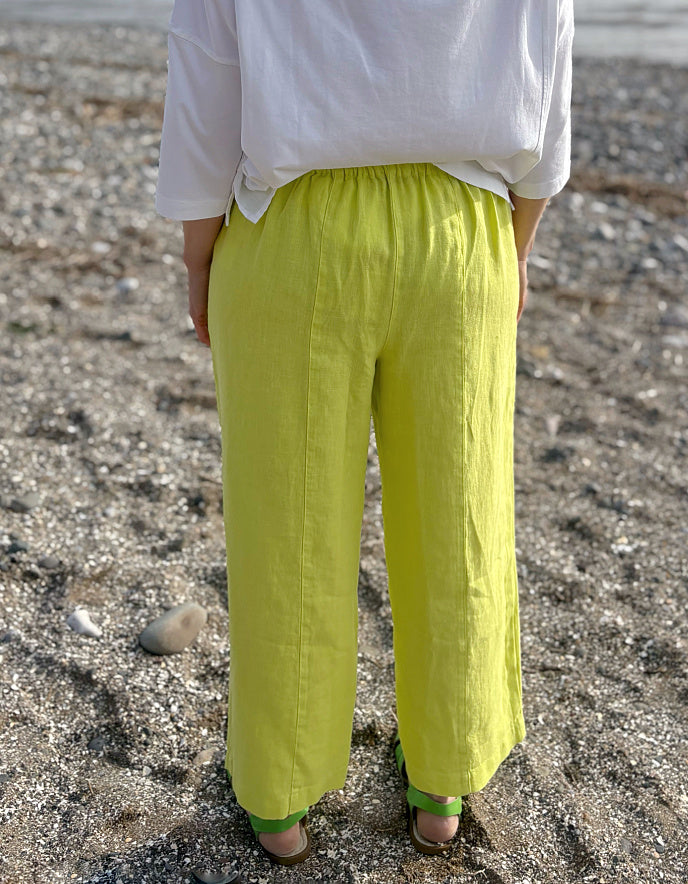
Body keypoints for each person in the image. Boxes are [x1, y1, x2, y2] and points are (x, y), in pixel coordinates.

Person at [155, 0, 574, 865]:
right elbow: (547, 76)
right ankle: (441, 790)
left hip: (291, 237)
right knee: (458, 522)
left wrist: (200, 257)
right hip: (459, 239)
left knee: (286, 534)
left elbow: (205, 83)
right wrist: (516, 248)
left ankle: (279, 804)